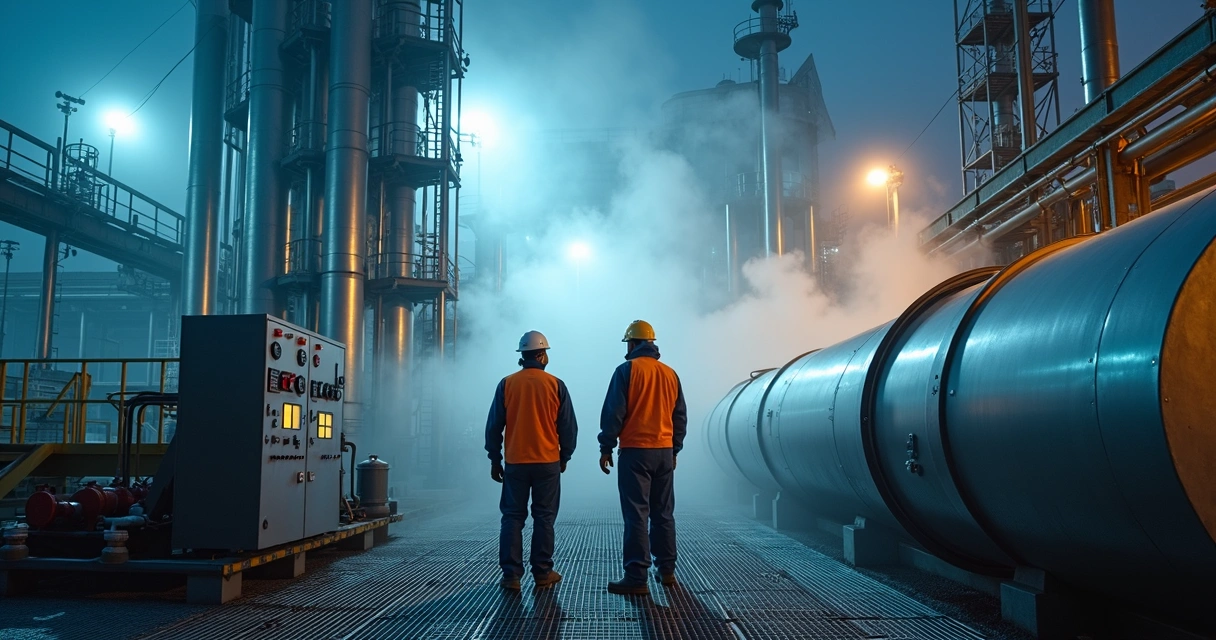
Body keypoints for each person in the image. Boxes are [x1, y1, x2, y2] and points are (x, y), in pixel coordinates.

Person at [597, 320, 688, 595]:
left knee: (637, 514)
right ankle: (667, 571)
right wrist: (675, 449)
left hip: (635, 452)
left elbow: (614, 413)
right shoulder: (670, 374)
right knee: (663, 514)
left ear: (633, 344)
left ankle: (637, 576)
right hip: (663, 452)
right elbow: (679, 416)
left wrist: (606, 447)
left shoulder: (626, 371)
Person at [485, 330, 578, 591]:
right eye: (545, 352)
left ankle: (511, 576)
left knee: (513, 518)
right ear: (540, 355)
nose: (546, 356)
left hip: (515, 462)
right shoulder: (555, 384)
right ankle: (542, 572)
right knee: (544, 518)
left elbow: (494, 426)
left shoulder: (507, 384)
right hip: (547, 462)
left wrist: (495, 459)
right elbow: (568, 427)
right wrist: (565, 456)